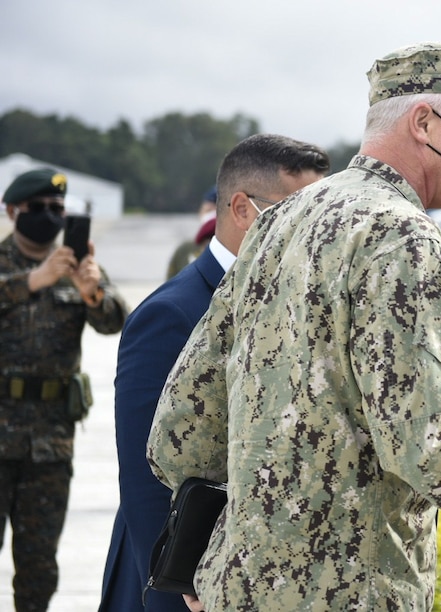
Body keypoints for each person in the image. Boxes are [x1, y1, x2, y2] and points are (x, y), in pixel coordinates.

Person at [146, 42, 441, 611]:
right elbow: (434, 452)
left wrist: (225, 550)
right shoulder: (402, 236)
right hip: (352, 592)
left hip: (241, 590)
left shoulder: (280, 220)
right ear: (425, 123)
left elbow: (179, 433)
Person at [98, 134, 330, 612]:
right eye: (298, 213)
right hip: (179, 585)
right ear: (242, 209)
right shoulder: (173, 314)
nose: (314, 231)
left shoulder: (288, 299)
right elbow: (149, 483)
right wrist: (178, 592)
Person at [0, 167, 128, 611]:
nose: (50, 217)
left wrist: (91, 292)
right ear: (12, 211)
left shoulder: (79, 266)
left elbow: (117, 322)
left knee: (39, 562)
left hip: (50, 441)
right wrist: (30, 282)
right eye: (39, 209)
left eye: (58, 209)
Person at [166, 187, 218, 280]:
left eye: (216, 211)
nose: (211, 217)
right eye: (208, 211)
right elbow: (169, 283)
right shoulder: (185, 249)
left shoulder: (234, 250)